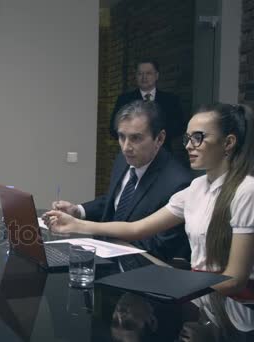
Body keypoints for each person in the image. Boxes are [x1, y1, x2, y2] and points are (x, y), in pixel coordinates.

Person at [45, 103, 254, 298]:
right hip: (200, 297)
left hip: (232, 306)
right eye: (187, 138)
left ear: (228, 142)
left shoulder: (246, 190)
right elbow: (136, 229)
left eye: (198, 137)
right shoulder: (196, 187)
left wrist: (177, 281)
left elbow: (234, 281)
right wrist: (76, 224)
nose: (189, 146)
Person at [53, 100, 192, 261]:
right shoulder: (123, 159)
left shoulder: (178, 182)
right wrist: (78, 210)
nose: (126, 147)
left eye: (136, 138)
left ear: (159, 139)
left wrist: (104, 237)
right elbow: (114, 203)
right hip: (104, 256)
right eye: (121, 136)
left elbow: (161, 246)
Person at [110, 60, 185, 148]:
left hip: (162, 152)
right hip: (132, 153)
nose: (144, 77)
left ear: (156, 75)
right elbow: (113, 128)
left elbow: (180, 127)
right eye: (140, 73)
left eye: (148, 73)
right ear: (136, 76)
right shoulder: (125, 100)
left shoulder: (171, 100)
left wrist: (155, 137)